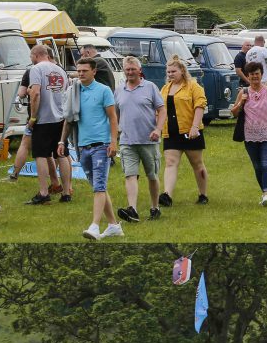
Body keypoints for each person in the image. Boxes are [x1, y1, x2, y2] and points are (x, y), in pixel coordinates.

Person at [58, 57, 122, 240]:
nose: (80, 74)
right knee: (97, 186)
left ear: (94, 71)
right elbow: (68, 119)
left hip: (101, 145)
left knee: (99, 186)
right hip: (83, 146)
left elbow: (113, 118)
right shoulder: (73, 91)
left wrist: (113, 142)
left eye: (84, 71)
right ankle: (113, 225)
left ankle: (94, 226)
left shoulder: (104, 91)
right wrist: (62, 141)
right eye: (78, 71)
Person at [115, 55, 165, 223]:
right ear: (124, 71)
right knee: (130, 175)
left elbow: (162, 110)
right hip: (127, 141)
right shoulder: (119, 90)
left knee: (152, 175)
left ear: (139, 70)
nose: (130, 72)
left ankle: (155, 207)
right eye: (127, 69)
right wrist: (115, 134)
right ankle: (132, 209)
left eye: (133, 69)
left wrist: (158, 129)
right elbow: (115, 114)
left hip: (148, 140)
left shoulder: (150, 87)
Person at [231, 60, 267, 206]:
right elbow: (233, 113)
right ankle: (265, 193)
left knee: (266, 164)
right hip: (250, 135)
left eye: (257, 74)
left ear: (261, 74)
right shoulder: (243, 92)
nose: (255, 77)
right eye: (252, 74)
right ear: (247, 76)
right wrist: (241, 102)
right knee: (257, 166)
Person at [159, 56, 208, 207]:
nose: (170, 74)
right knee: (170, 163)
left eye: (173, 71)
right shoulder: (165, 88)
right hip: (171, 132)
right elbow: (160, 110)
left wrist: (194, 126)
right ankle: (167, 195)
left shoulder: (193, 86)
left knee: (197, 164)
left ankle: (203, 194)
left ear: (182, 71)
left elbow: (200, 106)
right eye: (168, 72)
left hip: (189, 132)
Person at [24, 45, 71, 206]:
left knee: (41, 155)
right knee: (61, 154)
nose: (31, 60)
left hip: (43, 119)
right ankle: (66, 192)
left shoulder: (36, 69)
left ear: (36, 55)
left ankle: (44, 193)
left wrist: (33, 118)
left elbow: (36, 93)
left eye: (31, 57)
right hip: (60, 118)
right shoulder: (61, 70)